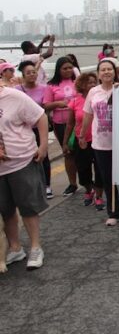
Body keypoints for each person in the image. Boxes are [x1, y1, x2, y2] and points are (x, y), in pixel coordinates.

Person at [0, 84, 49, 270]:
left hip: (21, 161)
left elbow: (41, 117)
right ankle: (15, 247)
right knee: (5, 209)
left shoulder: (14, 96)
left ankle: (36, 247)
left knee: (28, 206)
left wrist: (44, 145)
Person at [80, 60, 119, 227]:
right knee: (108, 179)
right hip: (101, 144)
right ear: (98, 73)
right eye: (103, 70)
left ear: (114, 71)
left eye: (109, 69)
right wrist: (82, 135)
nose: (106, 72)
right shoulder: (93, 92)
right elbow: (88, 115)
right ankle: (113, 213)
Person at [63, 72, 104, 209]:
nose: (92, 85)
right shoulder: (74, 101)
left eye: (94, 82)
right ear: (82, 85)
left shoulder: (100, 99)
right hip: (82, 141)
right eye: (89, 82)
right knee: (82, 170)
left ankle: (98, 196)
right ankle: (89, 190)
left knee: (99, 170)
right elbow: (69, 124)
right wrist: (65, 142)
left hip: (98, 141)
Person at [15, 61, 53, 199]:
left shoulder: (44, 88)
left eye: (34, 72)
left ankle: (47, 185)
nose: (32, 75)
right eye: (28, 73)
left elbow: (46, 107)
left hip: (39, 128)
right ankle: (32, 186)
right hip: (24, 130)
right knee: (28, 157)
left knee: (43, 155)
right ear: (23, 75)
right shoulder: (17, 90)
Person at [44, 57, 79, 197]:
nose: (68, 70)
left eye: (70, 67)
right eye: (65, 68)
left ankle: (88, 182)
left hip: (79, 122)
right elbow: (46, 105)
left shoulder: (78, 82)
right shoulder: (51, 85)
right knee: (68, 152)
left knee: (83, 152)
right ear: (58, 69)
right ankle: (72, 183)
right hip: (61, 124)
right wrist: (59, 104)